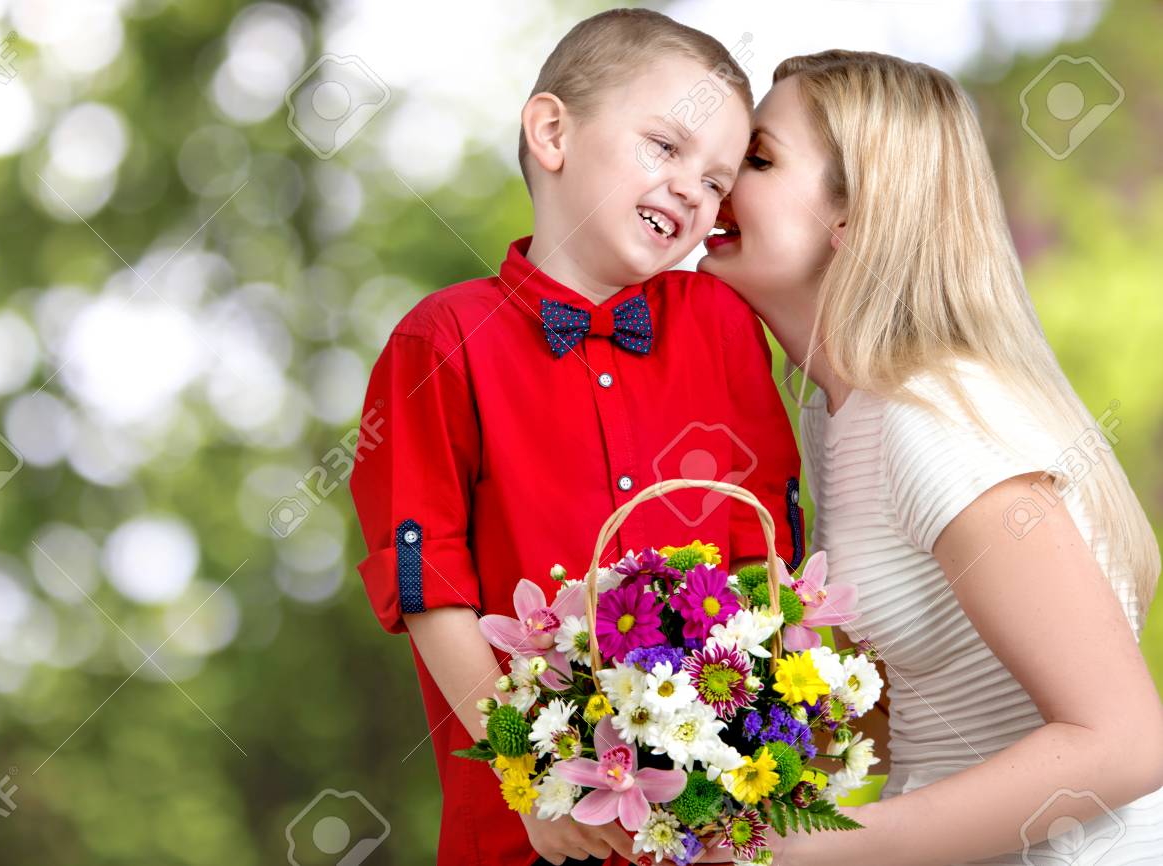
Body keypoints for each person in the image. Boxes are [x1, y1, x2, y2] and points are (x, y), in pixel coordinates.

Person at [349, 9, 806, 865]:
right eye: (664, 147)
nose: (691, 192)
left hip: (714, 827)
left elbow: (768, 555)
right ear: (553, 132)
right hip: (531, 833)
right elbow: (429, 584)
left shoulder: (724, 324)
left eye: (715, 182)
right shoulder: (440, 340)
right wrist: (534, 771)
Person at [693, 49, 1163, 865]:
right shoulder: (834, 417)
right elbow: (924, 710)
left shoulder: (930, 417)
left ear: (853, 218)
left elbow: (1124, 743)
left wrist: (805, 849)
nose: (715, 179)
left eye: (757, 159)